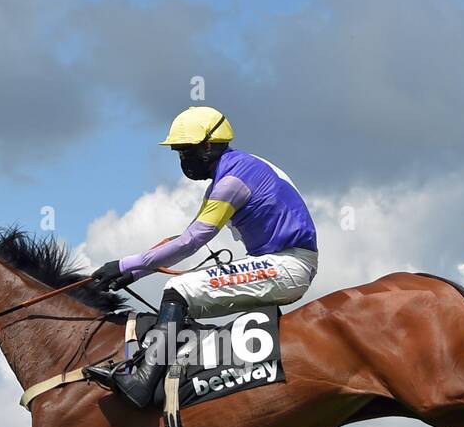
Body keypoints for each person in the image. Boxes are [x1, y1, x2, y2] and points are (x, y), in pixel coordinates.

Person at [85, 106, 318, 408]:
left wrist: (126, 265)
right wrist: (133, 273)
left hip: (287, 265)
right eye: (179, 153)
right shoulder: (237, 167)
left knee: (179, 290)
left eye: (186, 151)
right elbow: (187, 237)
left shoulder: (232, 180)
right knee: (192, 297)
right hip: (282, 262)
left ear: (208, 146)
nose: (183, 160)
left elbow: (192, 240)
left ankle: (143, 381)